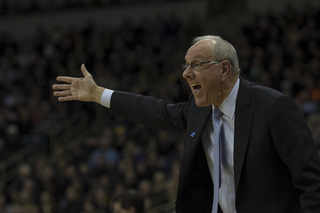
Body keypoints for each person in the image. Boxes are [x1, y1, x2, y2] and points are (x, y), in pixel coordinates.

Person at [52, 35, 320, 213]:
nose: (185, 73)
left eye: (196, 65)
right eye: (185, 65)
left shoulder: (273, 107)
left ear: (224, 69)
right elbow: (154, 111)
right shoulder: (199, 110)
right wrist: (100, 94)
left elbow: (312, 183)